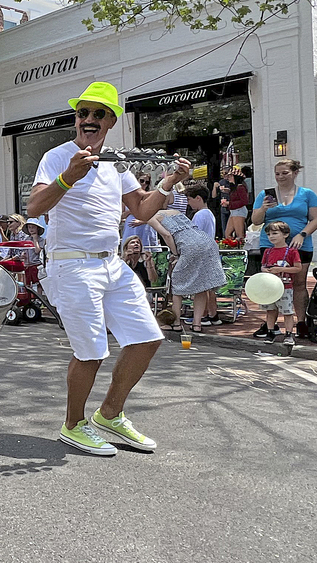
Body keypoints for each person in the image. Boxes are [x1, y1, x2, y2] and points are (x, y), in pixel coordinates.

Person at [26, 81, 191, 456]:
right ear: (76, 118)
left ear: (111, 121)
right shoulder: (58, 156)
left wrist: (168, 183)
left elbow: (143, 211)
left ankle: (109, 414)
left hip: (112, 263)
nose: (89, 119)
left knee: (147, 338)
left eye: (99, 114)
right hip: (72, 265)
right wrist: (68, 177)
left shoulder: (116, 164)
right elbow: (34, 207)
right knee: (91, 352)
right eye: (83, 113)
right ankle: (73, 424)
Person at [249, 158, 317, 332]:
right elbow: (255, 220)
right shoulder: (265, 194)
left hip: (299, 244)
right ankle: (270, 324)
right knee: (271, 281)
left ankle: (301, 322)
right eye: (277, 174)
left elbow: (316, 218)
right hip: (271, 244)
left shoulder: (306, 194)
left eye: (285, 173)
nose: (280, 177)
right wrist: (264, 208)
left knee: (298, 282)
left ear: (295, 173)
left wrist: (302, 234)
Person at [149, 196, 227, 334]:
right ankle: (197, 324)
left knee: (177, 283)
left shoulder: (152, 216)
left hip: (189, 245)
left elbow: (167, 235)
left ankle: (176, 322)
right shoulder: (174, 212)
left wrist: (175, 253)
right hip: (206, 241)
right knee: (202, 283)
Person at [254, 221, 302, 342]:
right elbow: (263, 266)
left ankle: (289, 334)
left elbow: (298, 268)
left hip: (285, 286)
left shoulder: (292, 251)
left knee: (287, 311)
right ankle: (270, 332)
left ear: (285, 234)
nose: (272, 236)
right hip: (270, 287)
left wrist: (280, 269)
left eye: (275, 233)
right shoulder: (268, 251)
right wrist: (266, 270)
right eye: (269, 234)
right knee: (270, 310)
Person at [184, 182, 224, 324]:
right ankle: (212, 314)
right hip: (209, 252)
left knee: (201, 287)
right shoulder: (208, 214)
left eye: (189, 199)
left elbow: (196, 236)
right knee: (208, 287)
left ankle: (203, 314)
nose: (189, 203)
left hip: (202, 253)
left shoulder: (200, 215)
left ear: (198, 198)